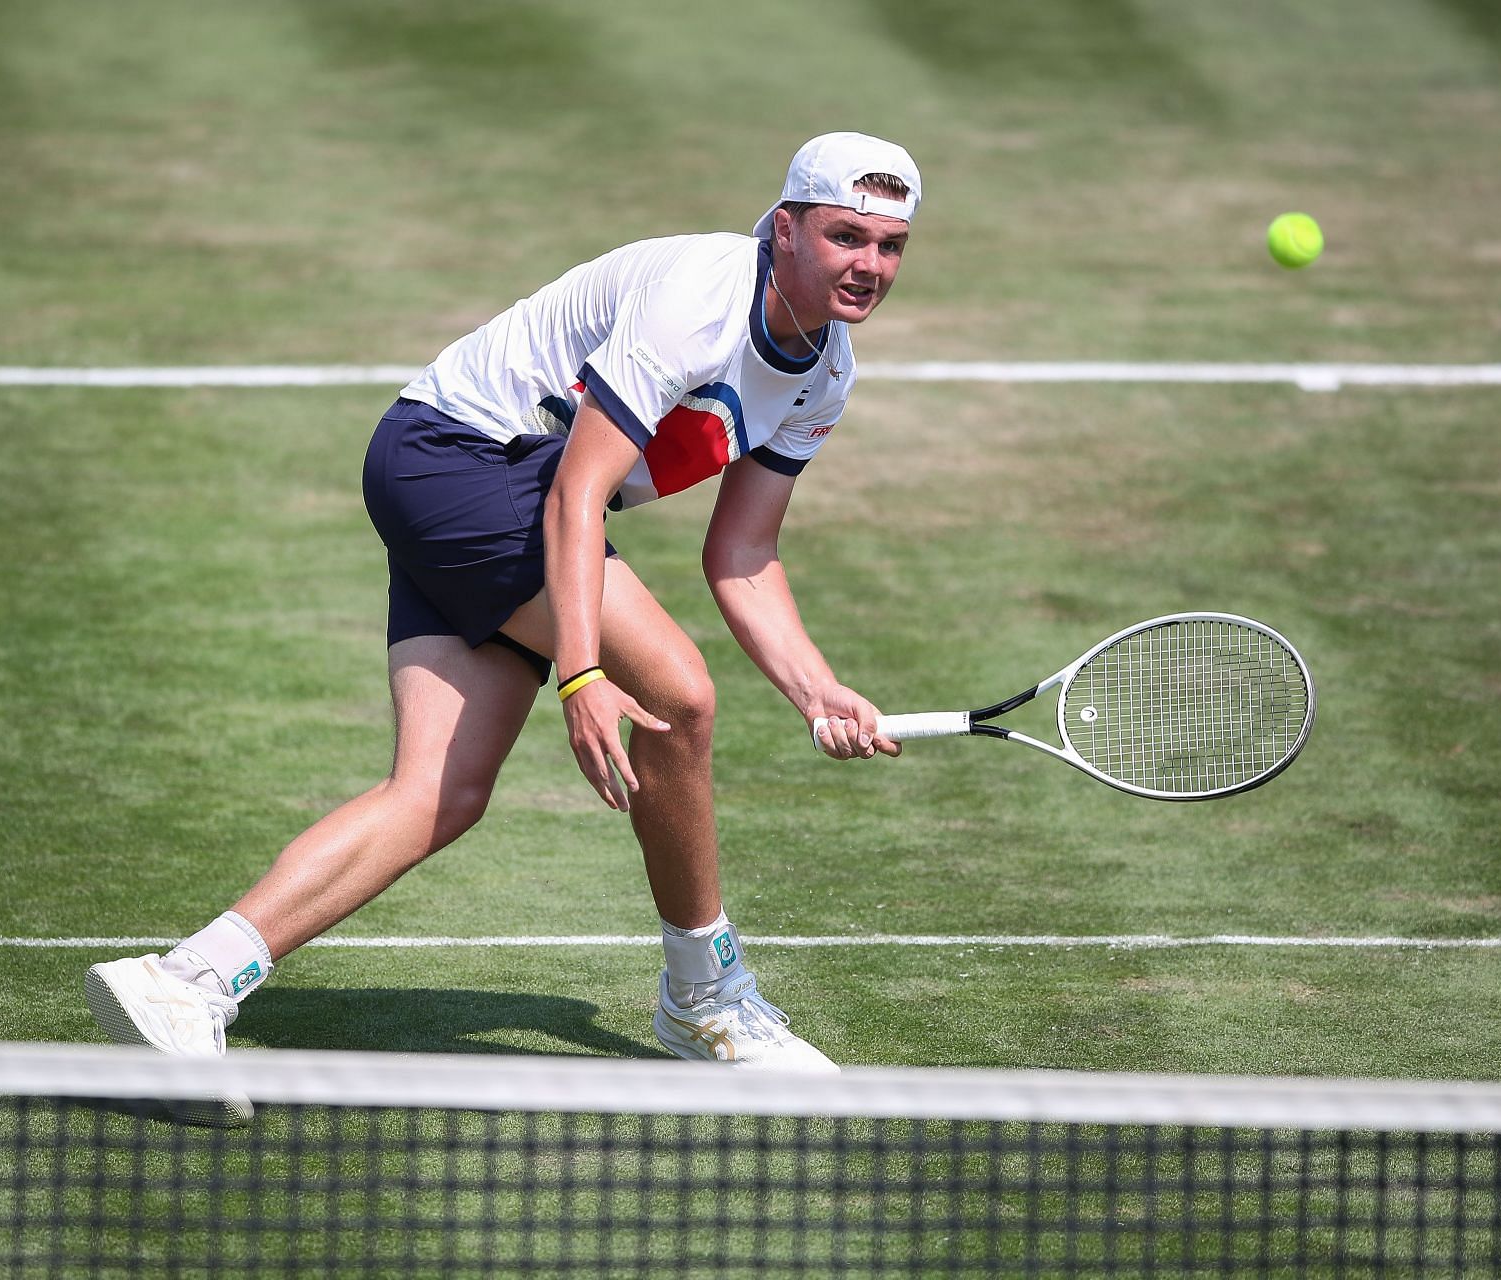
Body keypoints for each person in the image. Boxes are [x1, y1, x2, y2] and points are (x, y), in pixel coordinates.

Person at [85, 132, 922, 1121]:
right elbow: (576, 493)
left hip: (465, 473)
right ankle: (707, 996)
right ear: (785, 229)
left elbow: (742, 552)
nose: (869, 264)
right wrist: (580, 675)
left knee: (441, 789)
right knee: (680, 695)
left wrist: (816, 686)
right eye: (845, 236)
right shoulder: (701, 298)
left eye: (891, 244)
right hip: (466, 463)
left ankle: (183, 980)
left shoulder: (823, 375)